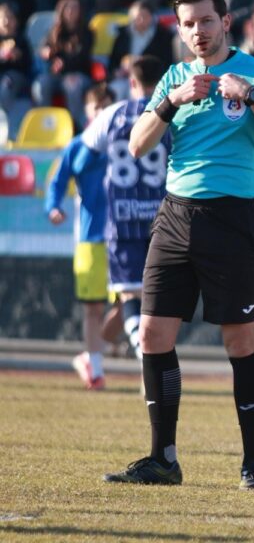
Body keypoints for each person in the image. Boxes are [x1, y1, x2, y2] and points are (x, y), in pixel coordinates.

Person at [102, 0, 254, 489]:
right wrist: (171, 100)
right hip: (174, 216)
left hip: (230, 218)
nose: (197, 31)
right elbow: (136, 142)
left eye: (205, 21)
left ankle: (252, 465)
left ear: (226, 21)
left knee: (239, 341)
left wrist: (251, 96)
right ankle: (163, 459)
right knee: (151, 335)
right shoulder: (174, 76)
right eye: (188, 24)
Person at [82, 55, 170, 363]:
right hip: (163, 221)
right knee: (159, 299)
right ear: (163, 83)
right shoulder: (172, 115)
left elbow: (82, 156)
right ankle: (150, 356)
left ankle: (146, 357)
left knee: (130, 296)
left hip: (122, 220)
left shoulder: (112, 114)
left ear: (131, 82)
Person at [45, 83, 114, 390]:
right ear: (87, 112)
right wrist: (54, 208)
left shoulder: (126, 144)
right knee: (92, 307)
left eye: (106, 107)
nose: (101, 113)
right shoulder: (77, 146)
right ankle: (96, 368)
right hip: (90, 236)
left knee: (132, 301)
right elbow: (57, 183)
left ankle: (93, 352)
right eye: (96, 108)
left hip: (124, 234)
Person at [32, 0, 94, 131]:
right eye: (68, 8)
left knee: (72, 84)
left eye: (75, 8)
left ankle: (75, 127)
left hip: (79, 74)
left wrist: (63, 63)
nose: (71, 11)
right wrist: (46, 53)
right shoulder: (53, 31)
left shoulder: (87, 33)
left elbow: (82, 58)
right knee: (42, 83)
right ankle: (45, 126)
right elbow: (43, 51)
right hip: (56, 75)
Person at [107, 0, 174, 101]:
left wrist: (142, 64)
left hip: (150, 81)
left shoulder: (163, 35)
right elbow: (113, 60)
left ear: (151, 17)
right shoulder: (123, 34)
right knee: (115, 90)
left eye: (144, 16)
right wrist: (117, 71)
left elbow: (167, 61)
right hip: (124, 78)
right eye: (136, 17)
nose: (140, 20)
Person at [0, 3, 33, 120]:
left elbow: (28, 65)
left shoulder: (21, 40)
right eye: (3, 18)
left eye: (10, 17)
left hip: (15, 76)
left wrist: (17, 56)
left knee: (6, 85)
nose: (6, 21)